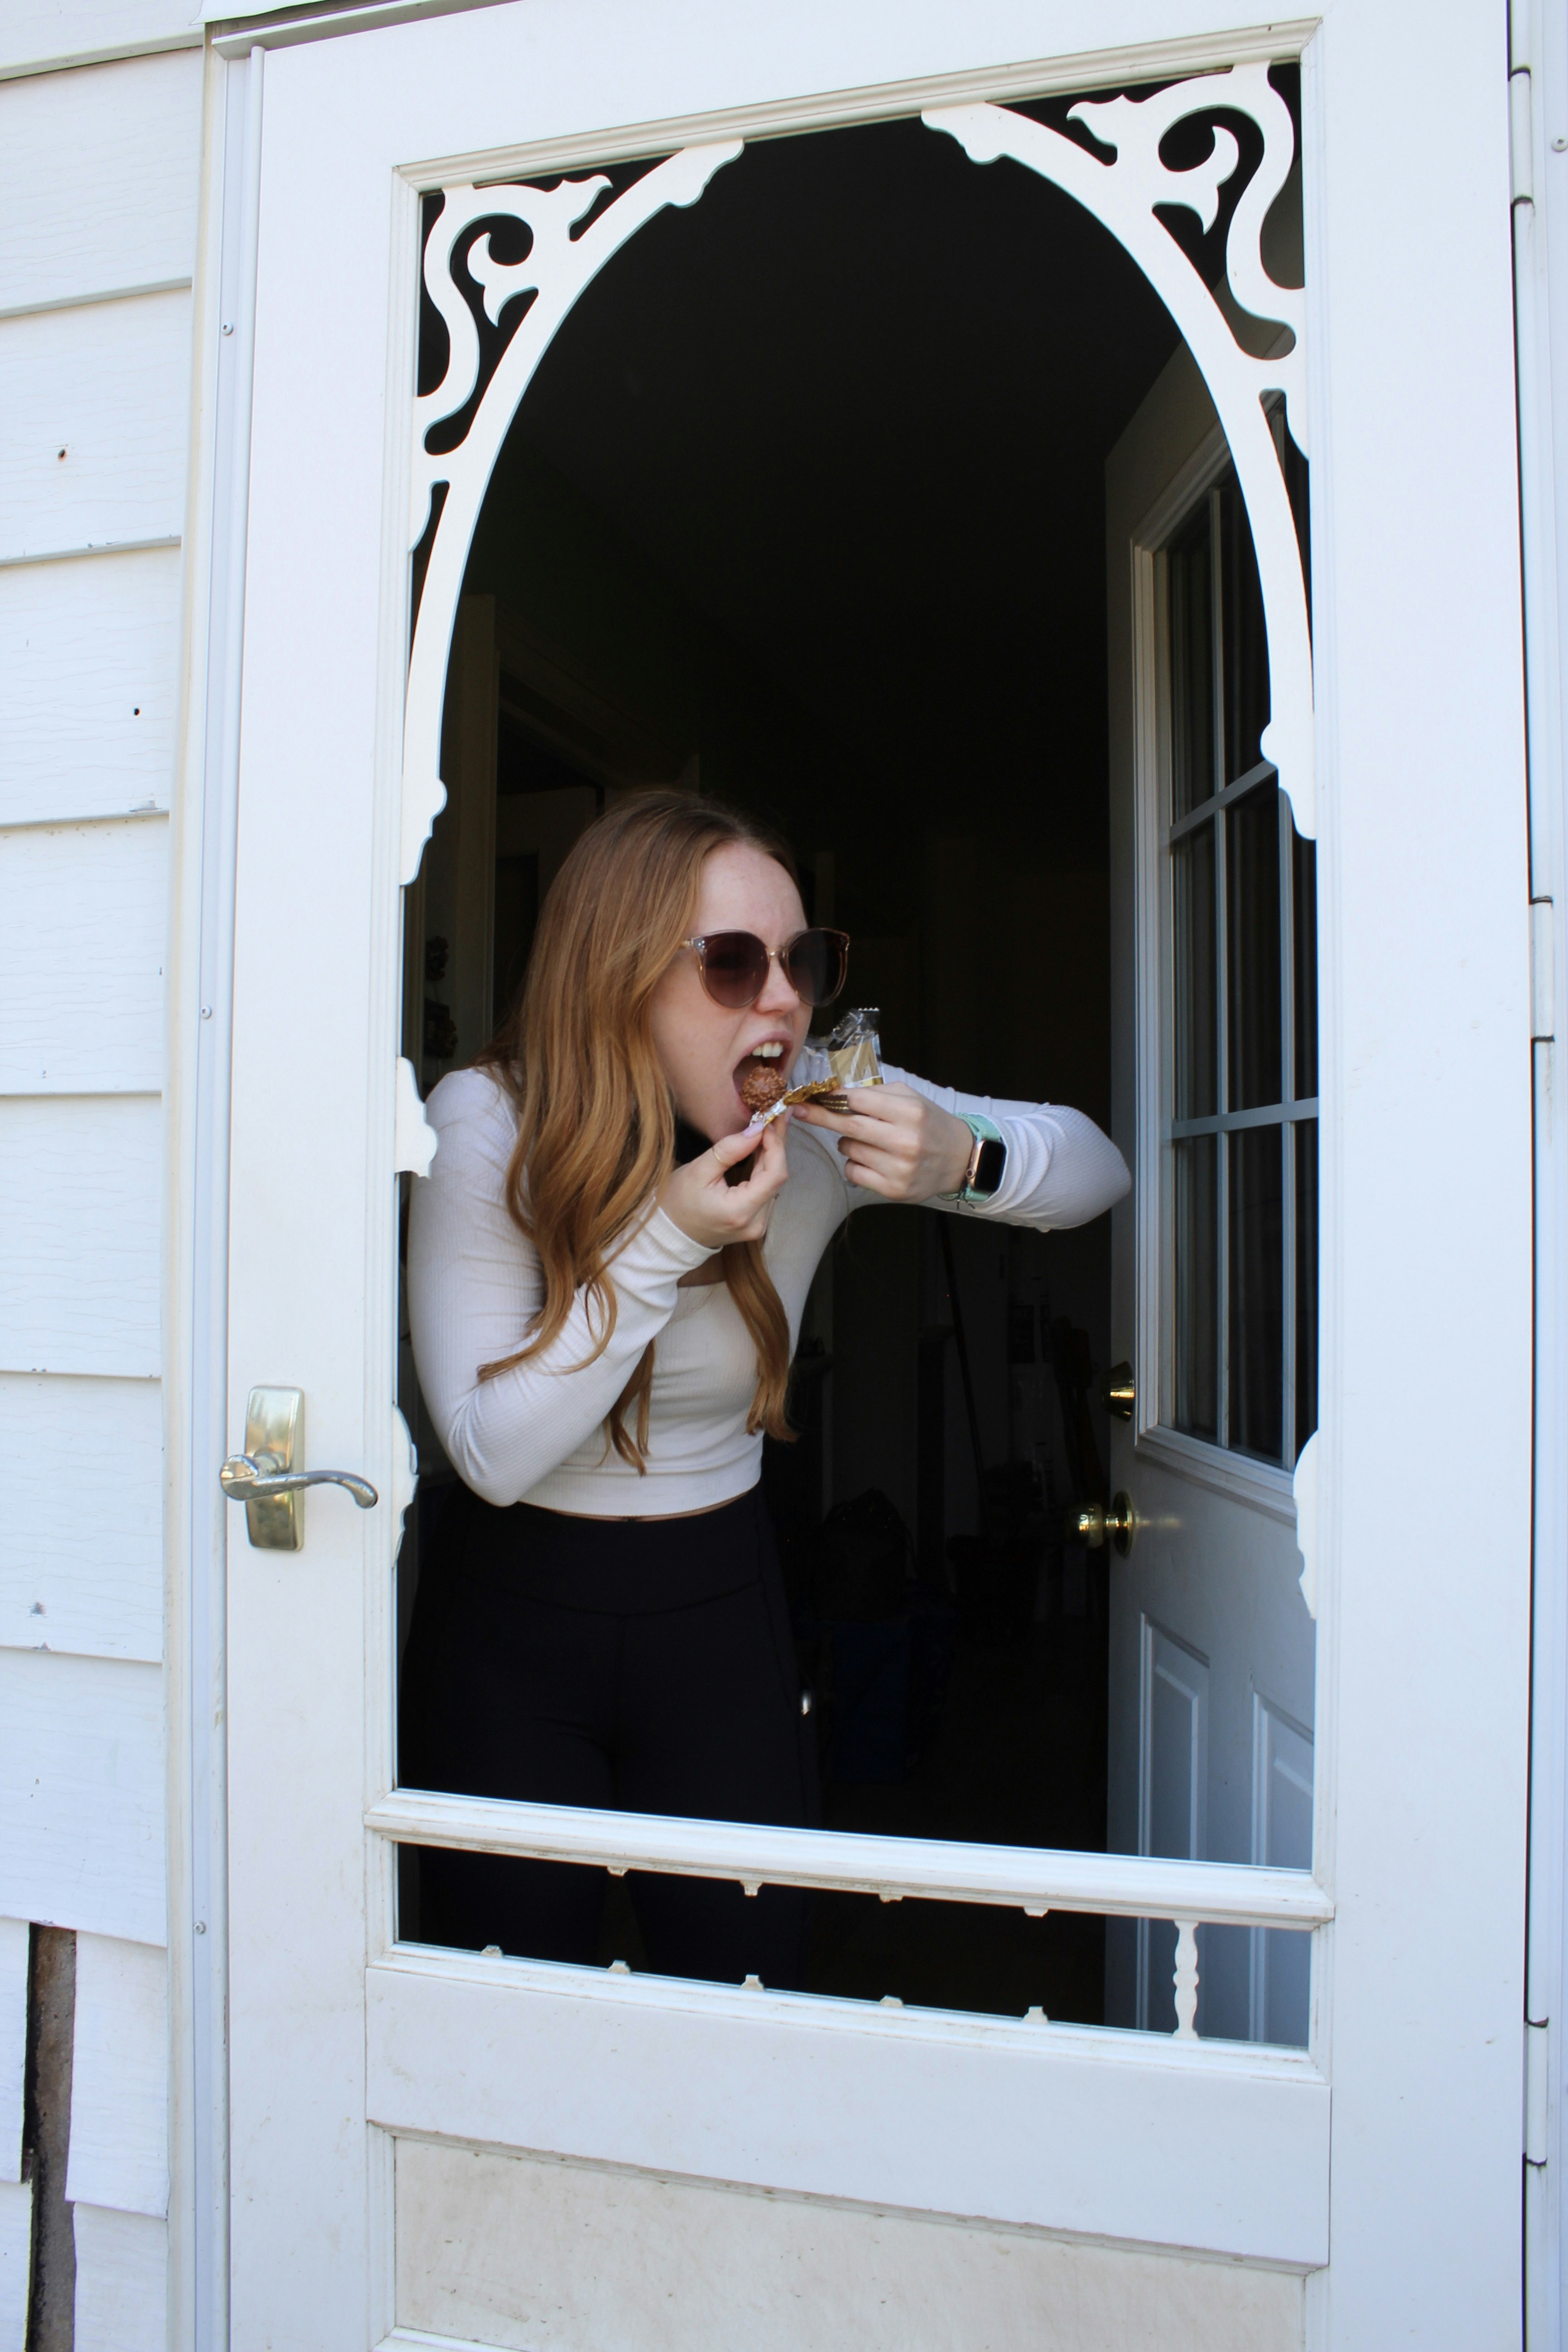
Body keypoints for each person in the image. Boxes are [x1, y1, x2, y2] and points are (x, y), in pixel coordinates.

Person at [402, 789, 1129, 1988]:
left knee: (750, 1993)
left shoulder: (826, 1122)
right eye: (735, 963)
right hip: (510, 1626)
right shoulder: (490, 1122)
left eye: (805, 959)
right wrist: (668, 1236)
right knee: (500, 2007)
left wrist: (966, 1156)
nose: (786, 999)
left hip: (720, 1608)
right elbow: (490, 1452)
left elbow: (1096, 1166)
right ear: (616, 975)